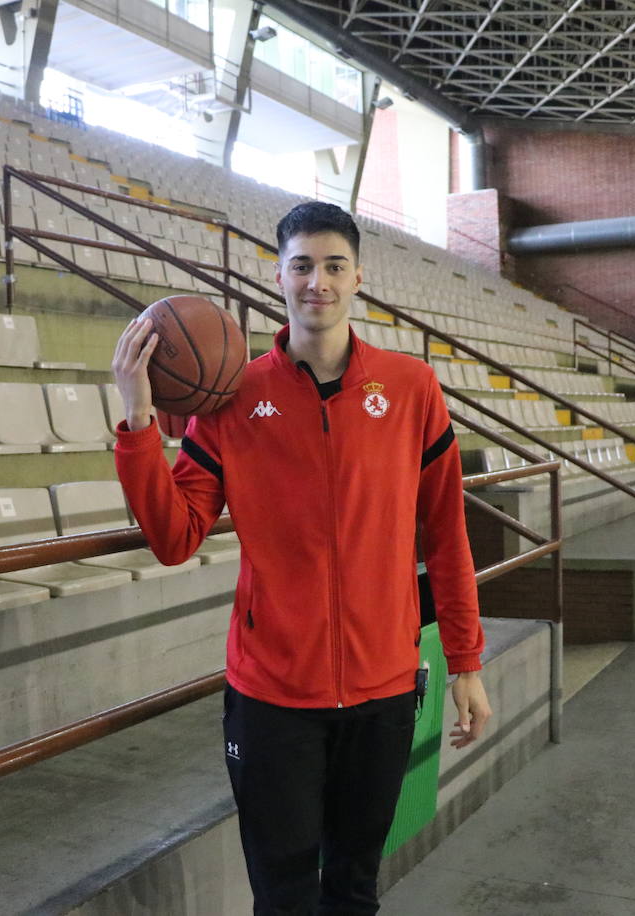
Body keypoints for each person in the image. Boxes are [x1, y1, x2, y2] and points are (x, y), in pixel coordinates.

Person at [111, 201, 491, 915]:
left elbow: (446, 538)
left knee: (354, 890)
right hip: (272, 699)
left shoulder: (411, 389)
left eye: (334, 266)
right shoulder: (229, 397)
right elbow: (175, 538)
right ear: (279, 277)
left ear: (358, 279)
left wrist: (465, 663)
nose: (318, 281)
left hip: (383, 689)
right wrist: (138, 424)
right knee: (283, 898)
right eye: (302, 266)